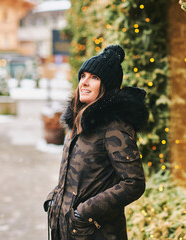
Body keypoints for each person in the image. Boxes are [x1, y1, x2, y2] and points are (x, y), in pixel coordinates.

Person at [44, 45, 149, 240]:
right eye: (83, 76)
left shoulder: (114, 127)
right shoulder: (80, 122)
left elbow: (133, 182)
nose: (84, 82)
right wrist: (54, 200)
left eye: (94, 77)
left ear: (107, 86)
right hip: (67, 229)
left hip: (96, 232)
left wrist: (83, 212)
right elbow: (76, 179)